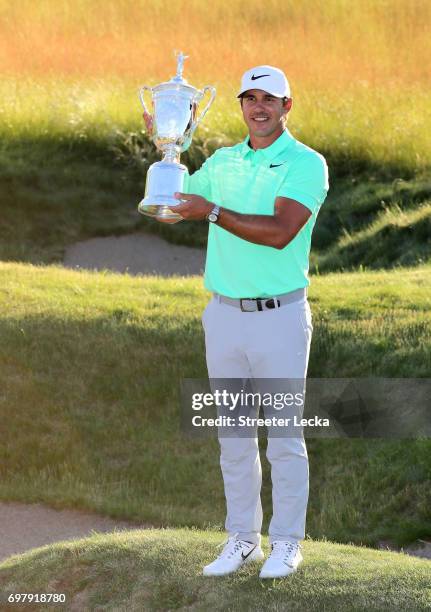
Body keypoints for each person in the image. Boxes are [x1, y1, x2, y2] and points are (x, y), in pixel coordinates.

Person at [143, 65, 329, 578]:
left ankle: (287, 543)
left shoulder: (305, 163)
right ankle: (242, 539)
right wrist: (168, 152)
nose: (259, 107)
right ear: (241, 106)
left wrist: (212, 213)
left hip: (280, 317)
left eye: (270, 99)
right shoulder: (223, 160)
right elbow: (172, 207)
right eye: (250, 98)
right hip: (223, 316)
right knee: (234, 436)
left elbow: (280, 232)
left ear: (288, 105)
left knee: (285, 438)